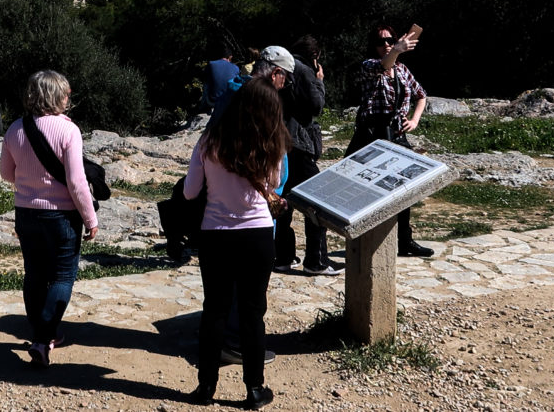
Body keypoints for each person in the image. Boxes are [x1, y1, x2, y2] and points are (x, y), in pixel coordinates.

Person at [184, 78, 289, 410]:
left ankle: (206, 387)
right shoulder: (271, 142)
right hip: (256, 234)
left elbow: (189, 191)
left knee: (214, 310)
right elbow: (273, 183)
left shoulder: (209, 140)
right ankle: (254, 388)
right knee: (252, 312)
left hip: (215, 233)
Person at [0, 70, 99, 367]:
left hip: (26, 212)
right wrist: (91, 219)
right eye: (66, 93)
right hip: (62, 215)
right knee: (62, 276)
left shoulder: (15, 129)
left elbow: (7, 174)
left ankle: (43, 333)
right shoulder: (69, 131)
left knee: (34, 274)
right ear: (58, 97)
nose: (69, 98)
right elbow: (77, 183)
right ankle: (44, 339)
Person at [345, 24, 433, 258]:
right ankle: (366, 240)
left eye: (390, 40)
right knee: (367, 188)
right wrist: (397, 49)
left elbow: (421, 95)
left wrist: (414, 120)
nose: (385, 45)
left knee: (405, 186)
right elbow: (384, 64)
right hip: (371, 134)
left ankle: (404, 240)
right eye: (380, 41)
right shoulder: (369, 66)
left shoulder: (403, 70)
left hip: (396, 133)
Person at [274, 35, 343, 276]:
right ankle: (316, 260)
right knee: (317, 200)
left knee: (284, 200)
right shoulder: (304, 71)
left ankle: (283, 255)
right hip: (299, 143)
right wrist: (319, 81)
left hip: (280, 141)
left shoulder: (284, 68)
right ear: (316, 57)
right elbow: (316, 106)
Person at [201, 45, 240, 112]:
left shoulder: (211, 64)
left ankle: (202, 108)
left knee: (206, 83)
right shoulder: (236, 68)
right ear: (230, 57)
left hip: (213, 101)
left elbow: (205, 80)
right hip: (228, 102)